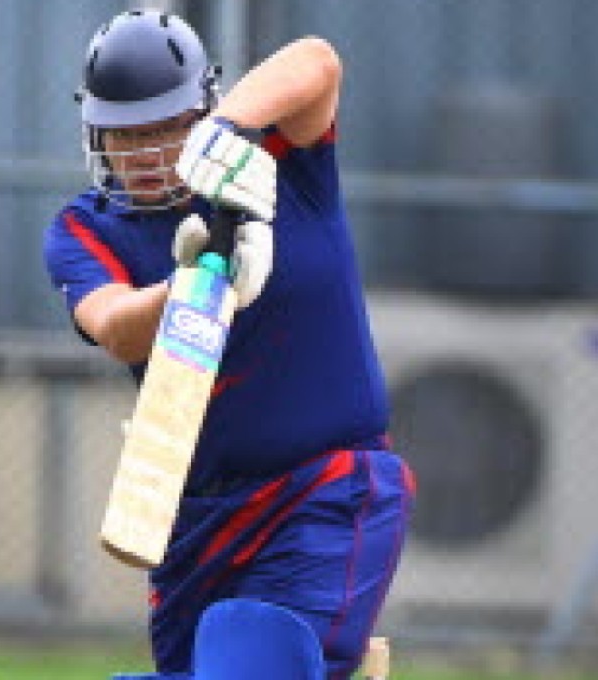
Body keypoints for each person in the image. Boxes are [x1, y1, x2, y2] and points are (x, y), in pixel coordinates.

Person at [43, 10, 415, 678]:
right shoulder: (83, 227)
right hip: (198, 515)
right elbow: (116, 327)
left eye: (166, 127)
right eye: (126, 136)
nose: (147, 154)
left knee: (249, 642)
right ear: (96, 135)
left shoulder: (280, 160)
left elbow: (318, 59)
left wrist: (225, 132)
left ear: (201, 110)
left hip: (325, 488)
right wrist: (187, 287)